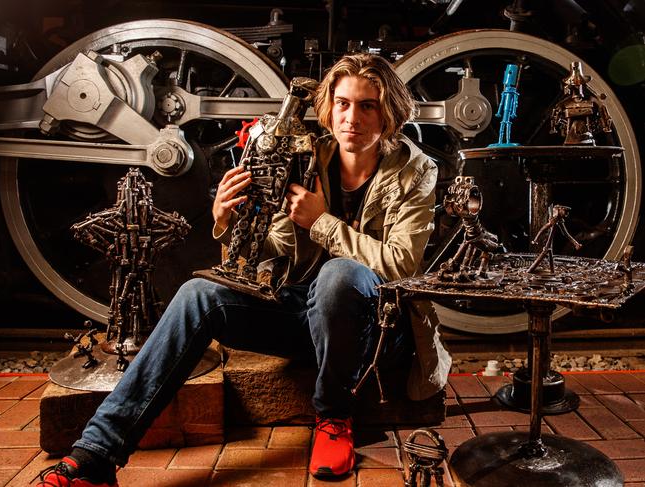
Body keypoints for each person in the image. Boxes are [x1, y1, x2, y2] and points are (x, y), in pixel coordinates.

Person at [36, 53, 451, 486]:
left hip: (379, 328)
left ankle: (333, 418)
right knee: (199, 294)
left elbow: (401, 265)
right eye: (343, 103)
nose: (352, 117)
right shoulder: (305, 156)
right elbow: (274, 249)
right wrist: (230, 217)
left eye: (367, 105)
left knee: (341, 276)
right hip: (305, 315)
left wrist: (322, 223)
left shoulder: (414, 169)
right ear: (328, 108)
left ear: (390, 112)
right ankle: (97, 455)